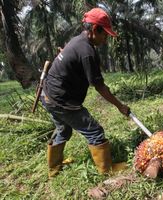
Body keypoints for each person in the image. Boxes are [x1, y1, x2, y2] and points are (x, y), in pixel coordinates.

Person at [41, 8, 130, 178]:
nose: (105, 41)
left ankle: (54, 169)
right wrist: (120, 106)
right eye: (105, 35)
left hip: (48, 95)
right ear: (95, 29)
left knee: (63, 131)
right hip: (61, 100)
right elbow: (100, 87)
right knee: (94, 131)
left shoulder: (78, 40)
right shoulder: (87, 52)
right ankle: (106, 170)